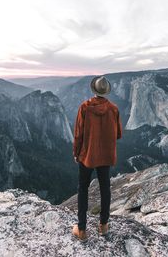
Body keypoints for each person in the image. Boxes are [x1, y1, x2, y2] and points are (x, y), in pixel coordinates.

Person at [72, 75, 123, 242]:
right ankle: (103, 225)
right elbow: (118, 134)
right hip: (106, 155)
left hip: (87, 155)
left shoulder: (85, 107)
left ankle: (81, 229)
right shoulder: (114, 109)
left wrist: (76, 152)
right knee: (105, 188)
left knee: (83, 189)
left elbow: (78, 134)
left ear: (93, 89)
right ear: (106, 91)